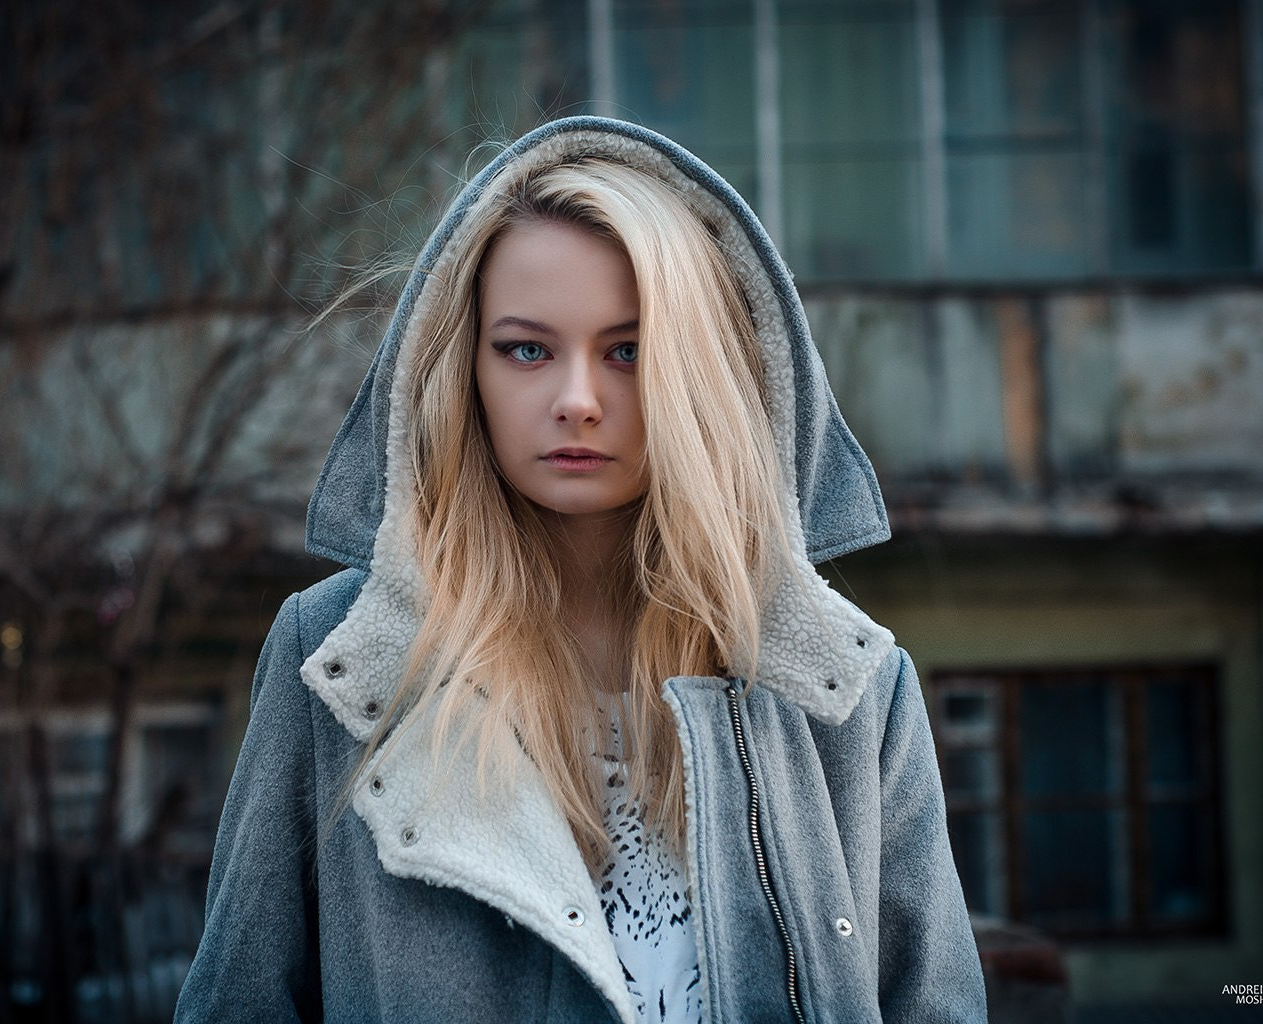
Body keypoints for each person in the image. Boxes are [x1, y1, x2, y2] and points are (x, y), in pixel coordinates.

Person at [173, 117, 987, 1024]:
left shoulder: (848, 688)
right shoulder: (339, 665)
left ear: (700, 374)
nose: (576, 400)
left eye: (628, 351)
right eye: (526, 348)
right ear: (463, 370)